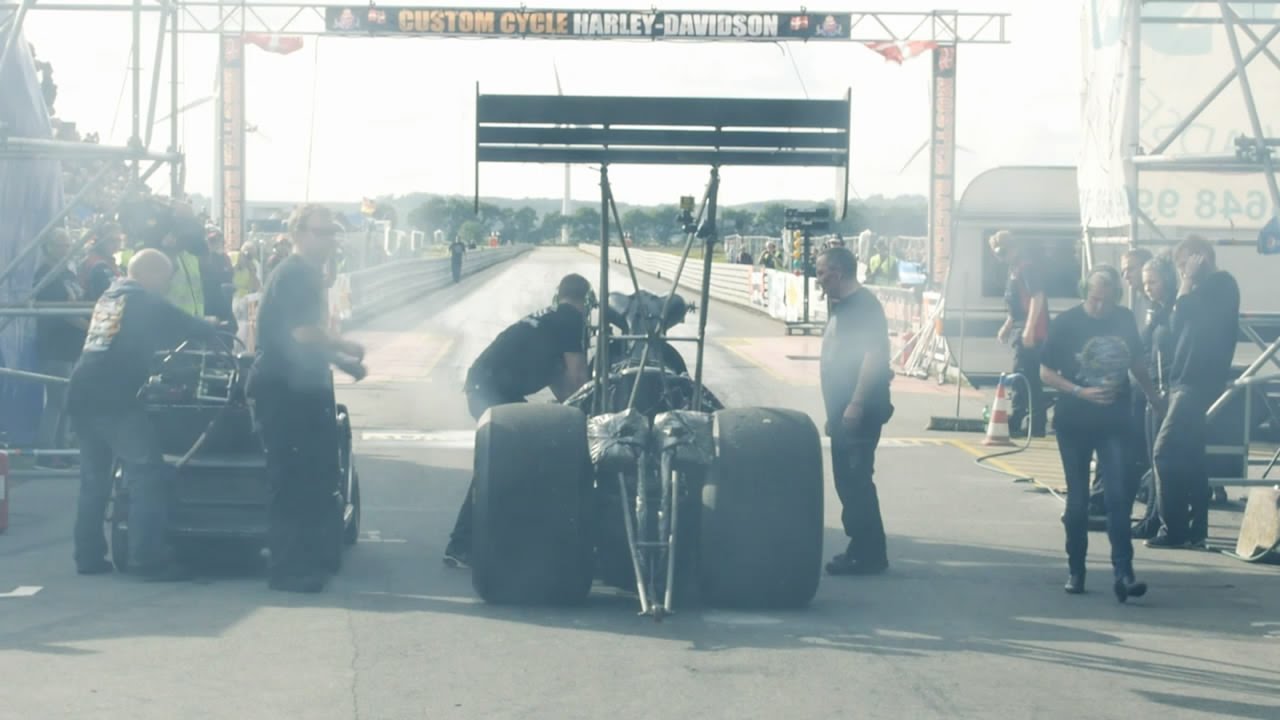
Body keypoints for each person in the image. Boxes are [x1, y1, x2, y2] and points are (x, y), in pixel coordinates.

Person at [68, 249, 223, 579]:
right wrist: (210, 325)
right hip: (113, 399)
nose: (167, 285)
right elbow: (189, 325)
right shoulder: (143, 300)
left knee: (94, 480)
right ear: (150, 274)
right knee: (148, 473)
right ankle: (146, 559)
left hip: (82, 393)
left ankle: (88, 556)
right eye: (166, 278)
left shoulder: (111, 296)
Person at [248, 204, 368, 593]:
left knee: (315, 476)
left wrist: (343, 363)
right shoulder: (296, 273)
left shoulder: (310, 275)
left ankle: (308, 558)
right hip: (284, 391)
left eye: (333, 232)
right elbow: (302, 333)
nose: (330, 240)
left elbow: (303, 340)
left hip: (302, 388)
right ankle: (286, 569)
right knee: (292, 480)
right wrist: (345, 345)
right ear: (298, 234)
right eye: (321, 232)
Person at [443, 274, 592, 568]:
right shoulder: (571, 320)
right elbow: (578, 380)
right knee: (499, 462)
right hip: (489, 389)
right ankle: (460, 544)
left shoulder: (551, 320)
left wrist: (571, 416)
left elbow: (562, 386)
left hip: (489, 386)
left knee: (533, 450)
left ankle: (512, 537)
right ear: (585, 302)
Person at [1039, 265, 1162, 601]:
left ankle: (1124, 572)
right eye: (1094, 300)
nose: (1100, 307)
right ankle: (1076, 568)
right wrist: (1080, 391)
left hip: (1114, 421)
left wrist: (1153, 397)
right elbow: (1045, 372)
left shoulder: (1124, 319)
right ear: (1085, 293)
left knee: (1118, 497)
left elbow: (1137, 363)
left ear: (1116, 298)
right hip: (1074, 422)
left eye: (1106, 301)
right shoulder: (1067, 323)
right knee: (1079, 500)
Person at [1148, 236, 1240, 549]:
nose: (1181, 271)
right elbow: (1176, 323)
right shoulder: (1200, 290)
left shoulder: (1222, 285)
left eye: (1183, 264)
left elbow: (1186, 312)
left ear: (1200, 258)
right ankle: (1195, 528)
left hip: (1197, 382)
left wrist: (1187, 281)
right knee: (1190, 455)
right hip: (1182, 380)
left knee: (1164, 451)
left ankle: (1172, 529)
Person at [815, 246, 893, 576]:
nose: (818, 279)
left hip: (859, 410)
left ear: (838, 273)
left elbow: (873, 356)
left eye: (822, 273)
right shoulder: (842, 305)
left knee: (855, 480)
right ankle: (864, 547)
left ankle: (867, 553)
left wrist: (856, 402)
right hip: (844, 412)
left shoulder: (864, 307)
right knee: (848, 481)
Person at [1132, 254, 1178, 539]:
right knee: (1152, 458)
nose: (1148, 288)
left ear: (1168, 281)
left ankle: (1160, 516)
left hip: (1166, 388)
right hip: (1150, 388)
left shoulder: (1174, 311)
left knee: (1161, 458)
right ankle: (1150, 514)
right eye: (1146, 283)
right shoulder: (1153, 310)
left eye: (1153, 282)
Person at [35, 230, 88, 467]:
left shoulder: (68, 273)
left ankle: (63, 450)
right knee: (57, 401)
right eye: (60, 245)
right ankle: (46, 454)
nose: (66, 249)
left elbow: (77, 302)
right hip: (55, 346)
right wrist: (90, 328)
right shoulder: (46, 275)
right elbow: (65, 312)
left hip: (72, 347)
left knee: (68, 402)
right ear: (48, 247)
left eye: (68, 245)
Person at [992, 230, 1049, 438]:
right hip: (1019, 325)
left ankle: (1023, 420)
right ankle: (1031, 421)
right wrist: (1008, 325)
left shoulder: (1027, 268)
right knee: (1026, 375)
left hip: (1030, 329)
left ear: (1012, 248)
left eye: (1002, 252)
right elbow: (1017, 303)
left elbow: (1037, 297)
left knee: (1024, 376)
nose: (1000, 257)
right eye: (997, 253)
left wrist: (1029, 328)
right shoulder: (1014, 269)